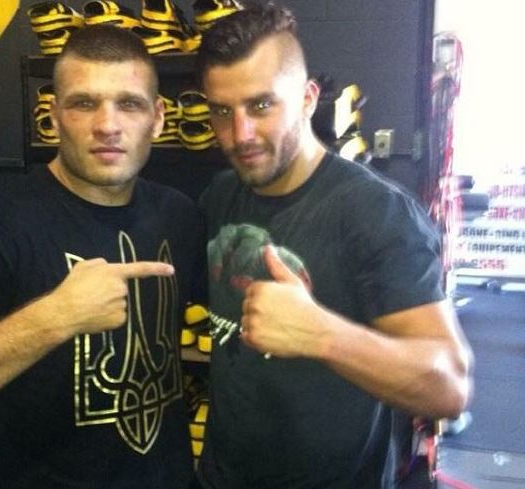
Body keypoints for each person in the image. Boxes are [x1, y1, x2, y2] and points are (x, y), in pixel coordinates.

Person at [0, 25, 204, 489]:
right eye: (84, 103)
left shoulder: (179, 214)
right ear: (53, 116)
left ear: (157, 118)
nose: (107, 125)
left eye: (129, 104)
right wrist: (55, 318)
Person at [193, 2, 474, 488]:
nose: (240, 135)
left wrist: (322, 334)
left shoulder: (376, 212)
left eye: (261, 106)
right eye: (222, 111)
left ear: (307, 98)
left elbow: (449, 387)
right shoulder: (221, 195)